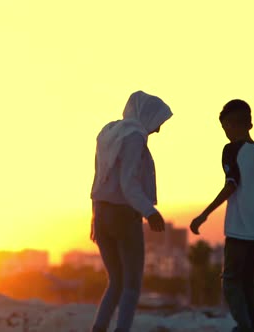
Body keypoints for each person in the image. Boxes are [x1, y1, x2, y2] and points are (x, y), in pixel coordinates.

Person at [190, 99, 254, 332]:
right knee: (248, 282)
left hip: (239, 227)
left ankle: (244, 327)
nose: (225, 133)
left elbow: (231, 185)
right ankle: (253, 326)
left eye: (225, 128)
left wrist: (204, 215)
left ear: (232, 125)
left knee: (231, 280)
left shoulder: (232, 149)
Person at [90, 91, 172, 332]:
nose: (157, 130)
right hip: (124, 215)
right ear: (146, 114)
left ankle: (99, 328)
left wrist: (95, 217)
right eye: (158, 122)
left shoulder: (109, 131)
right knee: (132, 285)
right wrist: (150, 211)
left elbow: (99, 180)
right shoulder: (135, 137)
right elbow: (128, 183)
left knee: (115, 281)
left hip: (102, 213)